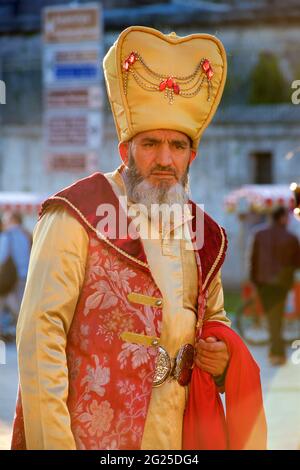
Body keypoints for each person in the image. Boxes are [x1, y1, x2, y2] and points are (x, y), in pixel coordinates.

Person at [11, 26, 266, 450]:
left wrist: (222, 361)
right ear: (124, 151)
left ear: (192, 156)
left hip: (181, 436)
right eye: (150, 144)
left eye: (177, 146)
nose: (165, 159)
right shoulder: (74, 215)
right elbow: (40, 339)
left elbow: (214, 319)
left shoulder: (205, 235)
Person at [250, 206, 300, 366]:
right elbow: (297, 262)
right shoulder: (291, 238)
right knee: (275, 317)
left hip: (263, 282)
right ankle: (277, 352)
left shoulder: (259, 234)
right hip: (281, 284)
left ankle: (275, 352)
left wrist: (254, 280)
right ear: (282, 218)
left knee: (273, 317)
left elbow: (253, 259)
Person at [0, 211, 31, 338]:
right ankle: (24, 333)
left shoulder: (7, 235)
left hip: (11, 277)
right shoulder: (27, 234)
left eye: (6, 219)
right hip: (26, 276)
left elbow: (2, 256)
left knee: (11, 304)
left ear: (13, 219)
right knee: (23, 307)